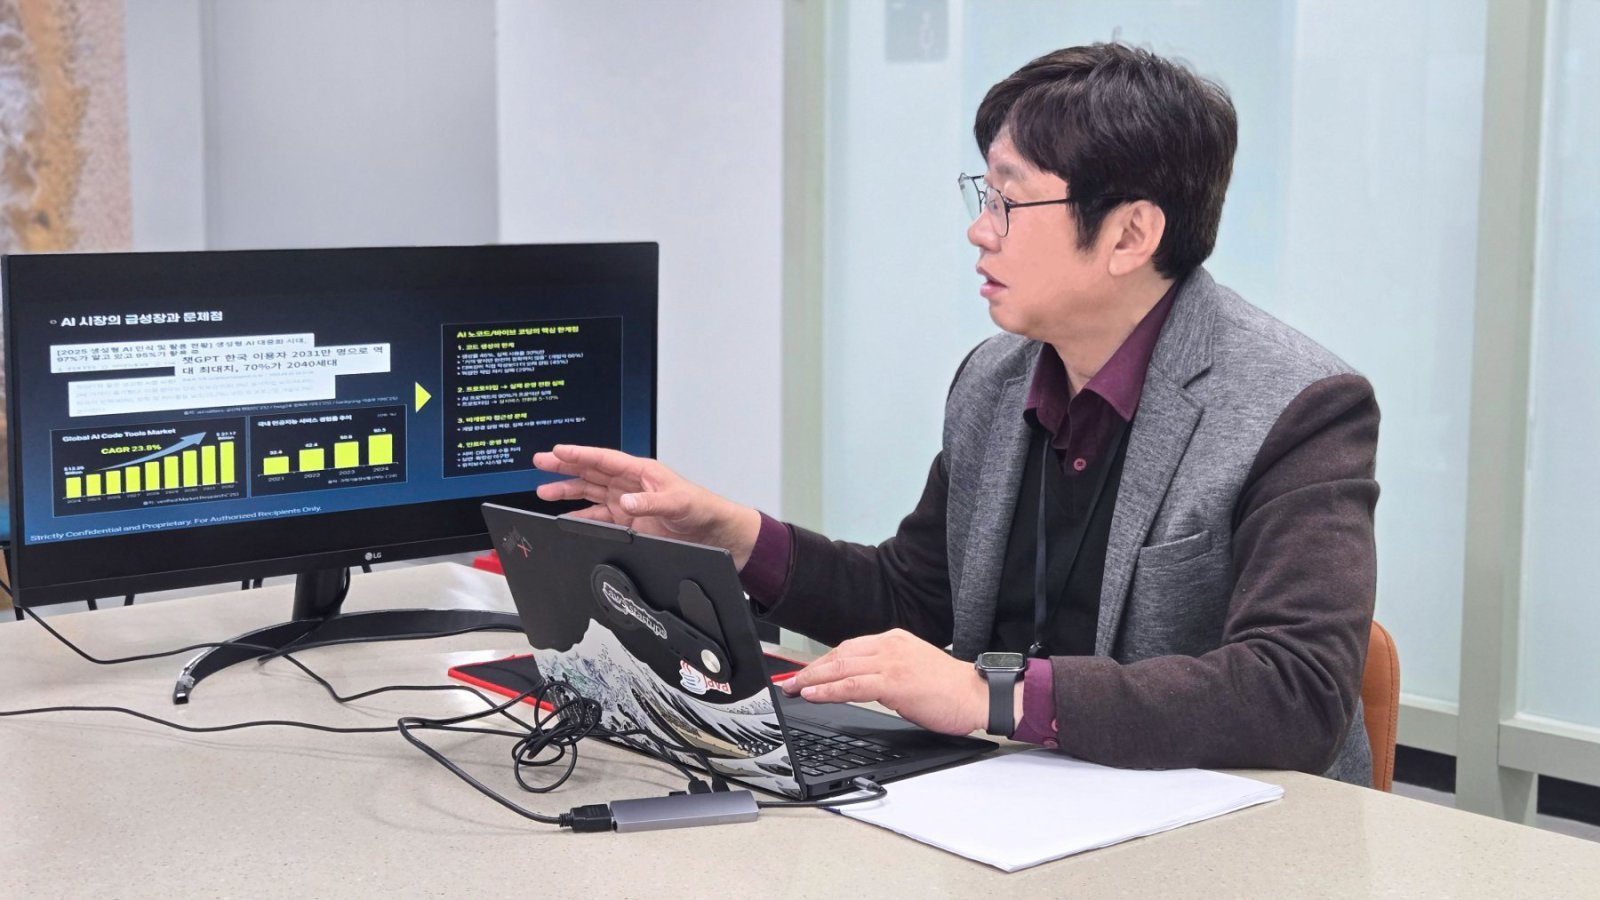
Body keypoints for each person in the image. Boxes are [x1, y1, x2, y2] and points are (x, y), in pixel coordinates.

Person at [533, 43, 1379, 784]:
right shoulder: (995, 380)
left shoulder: (1297, 406)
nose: (980, 231)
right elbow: (918, 596)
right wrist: (734, 539)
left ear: (1130, 235)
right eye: (983, 195)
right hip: (1010, 803)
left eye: (1009, 201)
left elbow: (1295, 691)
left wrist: (994, 697)